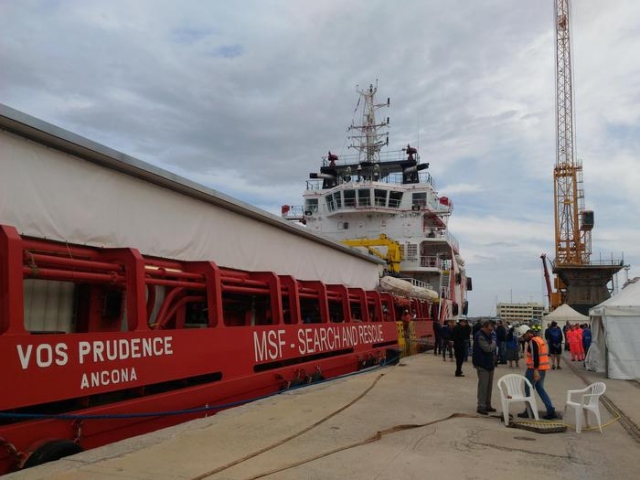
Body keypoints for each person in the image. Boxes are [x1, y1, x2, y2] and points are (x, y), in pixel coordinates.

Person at [518, 329, 558, 420]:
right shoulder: (540, 340)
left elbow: (535, 356)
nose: (525, 338)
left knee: (528, 389)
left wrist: (535, 370)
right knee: (540, 389)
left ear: (529, 333)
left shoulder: (533, 341)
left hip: (534, 369)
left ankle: (529, 410)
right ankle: (550, 410)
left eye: (525, 335)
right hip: (542, 369)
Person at [472, 319, 497, 415]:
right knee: (483, 386)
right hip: (482, 364)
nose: (492, 331)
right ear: (485, 327)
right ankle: (481, 406)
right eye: (490, 329)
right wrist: (494, 342)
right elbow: (488, 348)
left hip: (489, 363)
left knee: (489, 386)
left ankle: (488, 404)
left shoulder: (488, 335)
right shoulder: (480, 336)